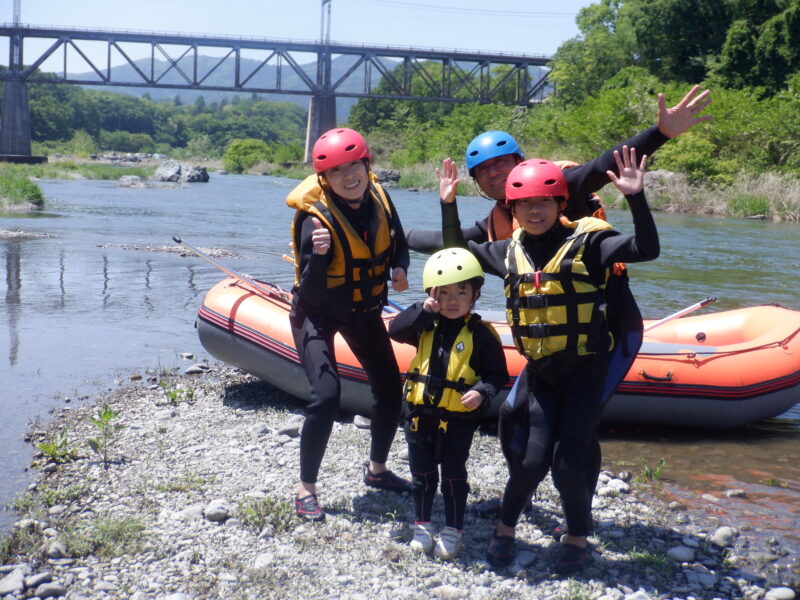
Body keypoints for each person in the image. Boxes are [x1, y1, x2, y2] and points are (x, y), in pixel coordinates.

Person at [442, 145, 658, 573]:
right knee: (529, 461)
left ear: (561, 203)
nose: (534, 211)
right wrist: (447, 204)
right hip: (542, 373)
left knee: (567, 465)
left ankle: (577, 537)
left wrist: (636, 196)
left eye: (544, 201)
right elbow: (454, 252)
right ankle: (506, 528)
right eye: (525, 204)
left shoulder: (591, 243)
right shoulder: (507, 251)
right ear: (514, 208)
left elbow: (646, 249)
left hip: (584, 373)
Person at [405, 85, 712, 252]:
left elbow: (601, 165)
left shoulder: (560, 185)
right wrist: (395, 234)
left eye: (500, 162)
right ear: (477, 183)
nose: (494, 173)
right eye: (483, 170)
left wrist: (660, 134)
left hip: (602, 317)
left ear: (520, 163)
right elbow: (448, 241)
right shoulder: (496, 222)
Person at [285, 127, 413, 522]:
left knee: (391, 389)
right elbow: (310, 291)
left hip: (363, 311)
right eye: (337, 170)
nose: (348, 175)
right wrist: (319, 256)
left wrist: (400, 268)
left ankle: (377, 471)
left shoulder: (379, 196)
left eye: (354, 165)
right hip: (316, 314)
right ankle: (305, 489)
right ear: (324, 178)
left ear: (366, 165)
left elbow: (399, 241)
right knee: (326, 396)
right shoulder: (313, 220)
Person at [387, 248, 508, 560]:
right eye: (444, 293)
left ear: (474, 296)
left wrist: (482, 391)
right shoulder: (425, 325)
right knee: (422, 475)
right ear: (432, 295)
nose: (452, 301)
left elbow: (498, 375)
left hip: (457, 420)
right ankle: (423, 525)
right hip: (418, 416)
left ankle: (453, 530)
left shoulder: (481, 335)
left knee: (454, 475)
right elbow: (395, 329)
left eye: (461, 292)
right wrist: (422, 309)